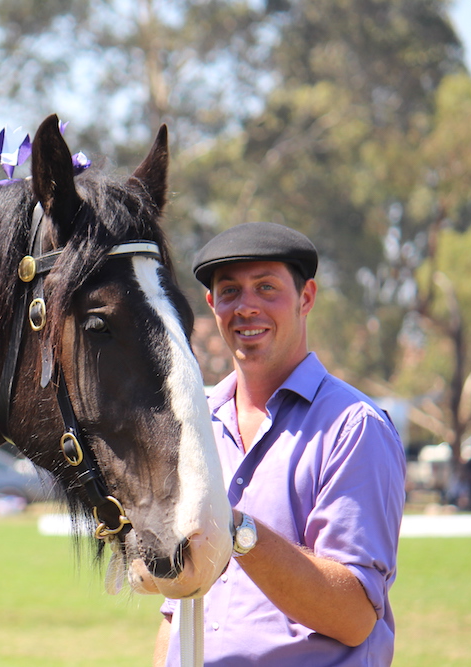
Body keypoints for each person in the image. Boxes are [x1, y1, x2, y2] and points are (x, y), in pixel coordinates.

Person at [155, 222, 406, 666]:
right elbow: (178, 610)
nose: (246, 307)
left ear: (305, 298)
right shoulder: (196, 423)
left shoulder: (353, 428)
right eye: (230, 291)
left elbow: (353, 616)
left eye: (266, 288)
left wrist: (234, 530)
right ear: (212, 305)